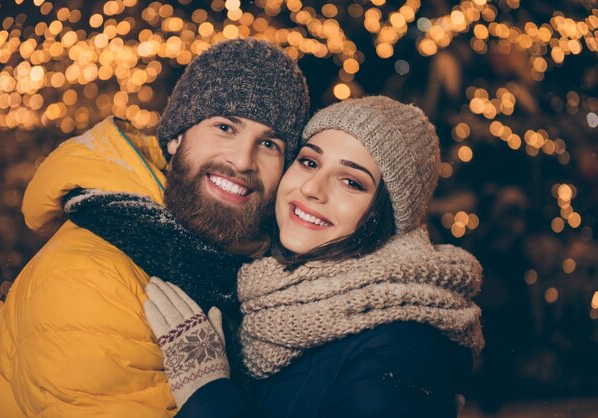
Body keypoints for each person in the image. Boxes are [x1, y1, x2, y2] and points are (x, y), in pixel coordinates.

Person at [0, 38, 309, 417]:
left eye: (269, 143)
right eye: (224, 127)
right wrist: (211, 395)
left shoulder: (241, 270)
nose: (243, 159)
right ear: (177, 138)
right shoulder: (89, 280)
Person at [144, 96, 484, 417]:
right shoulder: (275, 300)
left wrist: (207, 391)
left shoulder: (397, 351)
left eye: (351, 182)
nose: (311, 189)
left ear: (389, 216)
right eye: (309, 162)